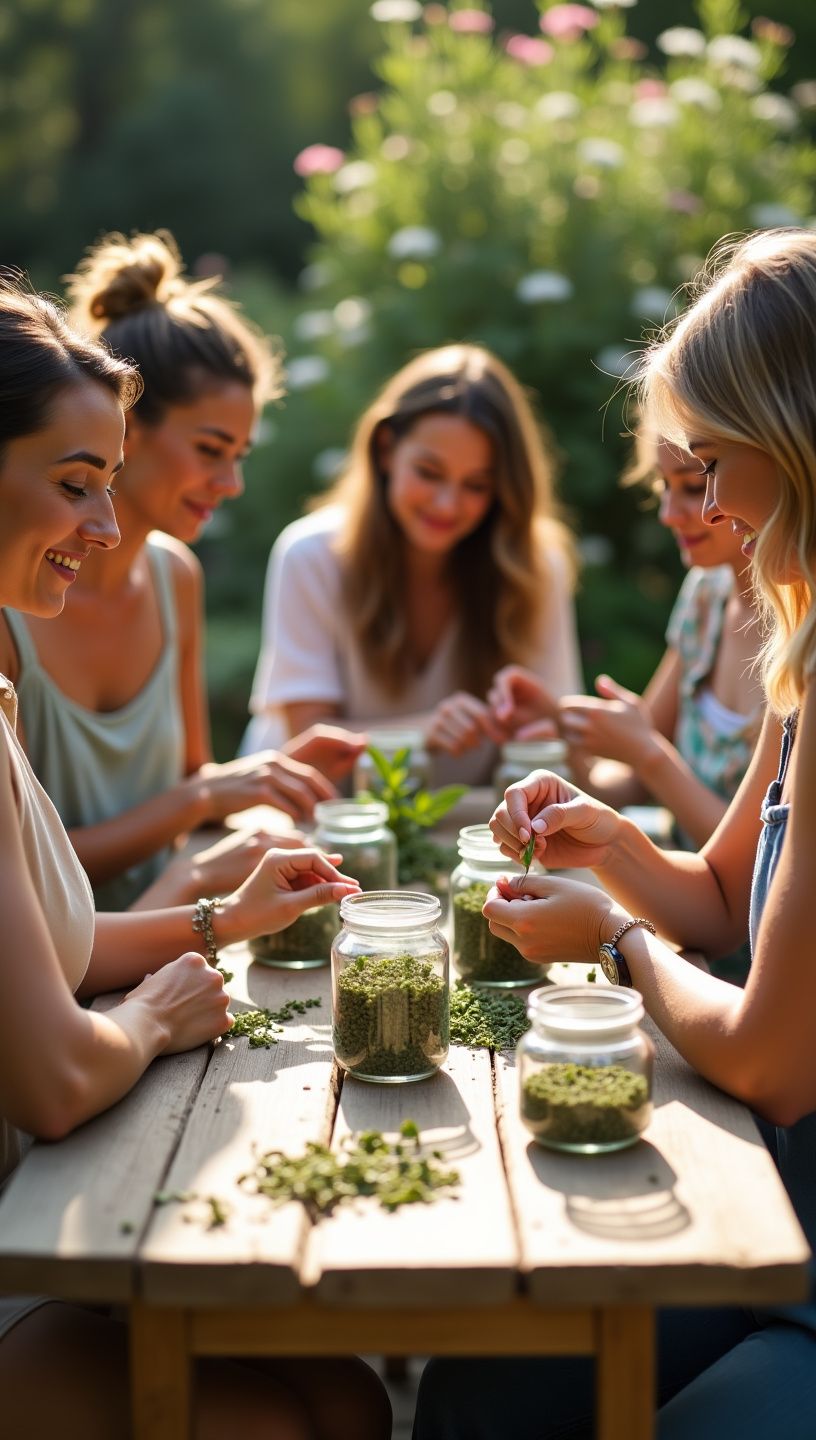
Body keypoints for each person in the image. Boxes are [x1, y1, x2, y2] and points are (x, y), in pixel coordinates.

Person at [414, 228, 816, 1438]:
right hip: (781, 1197)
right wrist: (612, 849)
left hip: (796, 1229)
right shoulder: (800, 662)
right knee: (479, 1392)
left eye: (709, 460)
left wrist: (616, 948)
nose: (705, 500)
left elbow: (768, 1064)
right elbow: (716, 889)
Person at [0, 276, 391, 1440]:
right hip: (23, 1226)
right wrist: (157, 1020)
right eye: (77, 487)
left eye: (109, 487)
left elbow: (51, 947)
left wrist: (233, 921)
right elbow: (61, 1077)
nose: (108, 526)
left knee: (351, 1398)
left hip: (38, 1200)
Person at [0, 231, 366, 910]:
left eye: (241, 455)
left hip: (160, 937)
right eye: (210, 449)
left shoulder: (176, 578)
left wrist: (258, 777)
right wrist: (205, 797)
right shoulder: (13, 596)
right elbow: (25, 873)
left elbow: (189, 791)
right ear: (127, 428)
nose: (231, 483)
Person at [244, 344, 583, 785]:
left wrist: (539, 729)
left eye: (476, 485)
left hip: (463, 823)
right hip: (312, 820)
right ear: (386, 450)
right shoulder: (310, 554)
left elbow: (557, 740)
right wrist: (422, 730)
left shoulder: (537, 570)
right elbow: (309, 744)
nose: (447, 504)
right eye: (428, 472)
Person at [489, 431, 765, 849]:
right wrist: (566, 731)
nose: (669, 514)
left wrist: (649, 755)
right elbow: (626, 787)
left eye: (694, 484)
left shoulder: (796, 637)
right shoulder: (706, 596)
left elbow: (757, 859)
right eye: (662, 486)